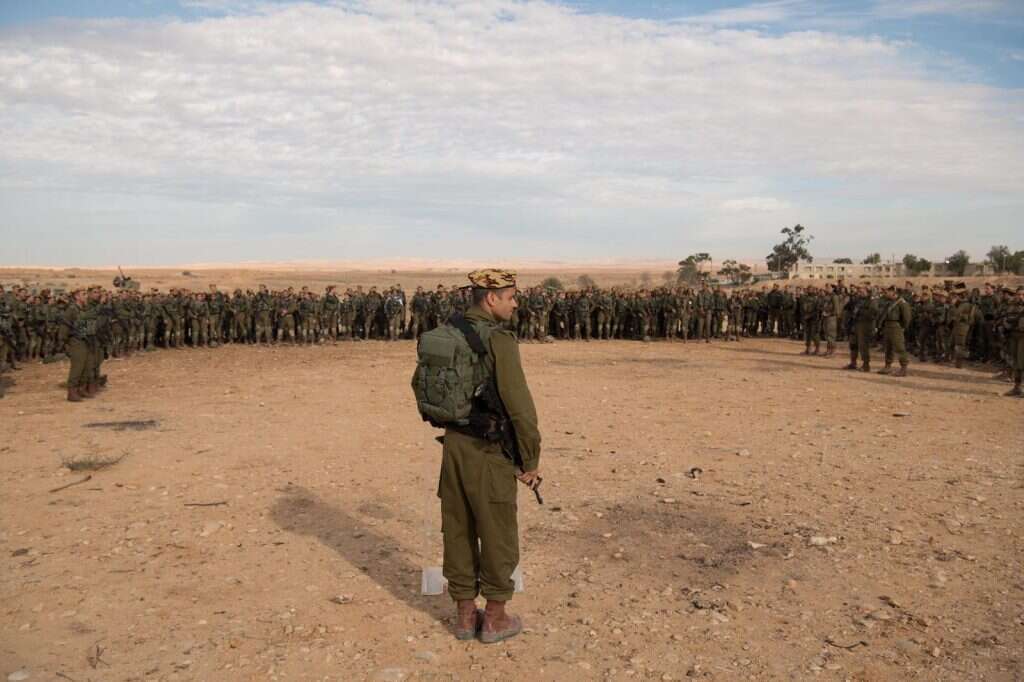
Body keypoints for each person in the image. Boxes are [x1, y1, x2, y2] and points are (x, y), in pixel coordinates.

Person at [426, 269, 541, 644]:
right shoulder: (499, 340)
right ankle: (494, 618)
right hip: (489, 451)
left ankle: (463, 616)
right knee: (497, 531)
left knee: (457, 526)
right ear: (491, 299)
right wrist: (529, 459)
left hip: (454, 445)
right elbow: (520, 406)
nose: (515, 303)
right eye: (510, 297)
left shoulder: (449, 332)